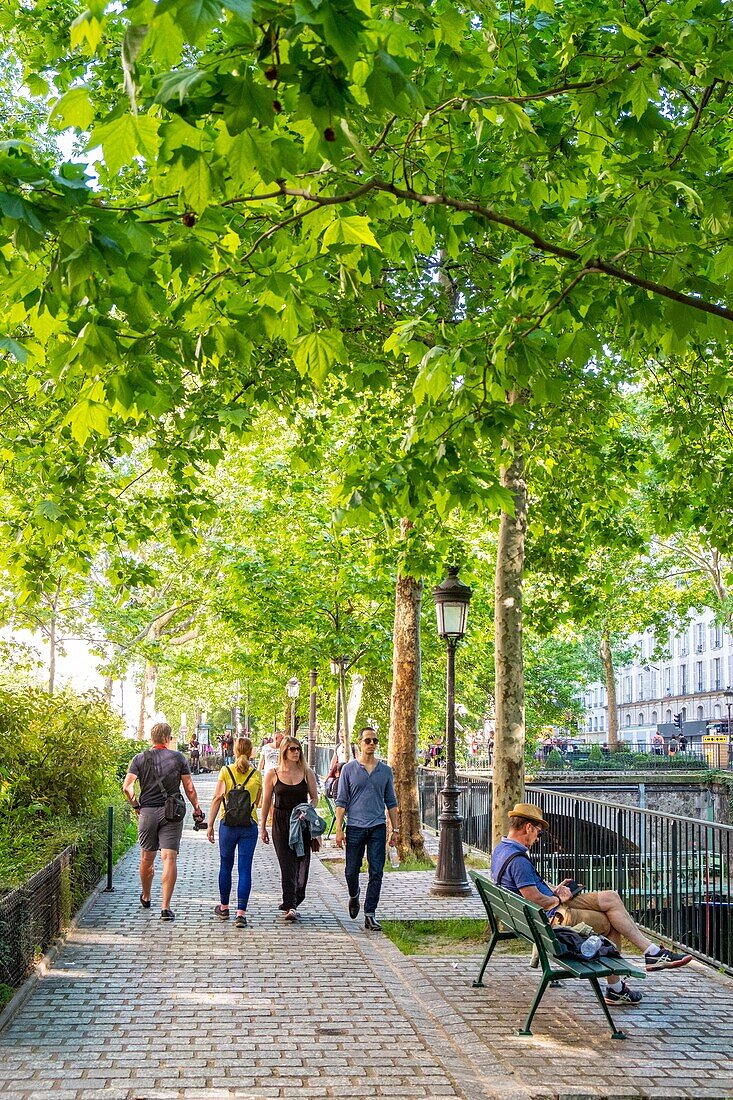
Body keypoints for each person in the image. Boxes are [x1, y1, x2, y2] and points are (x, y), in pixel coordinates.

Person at [491, 802, 692, 1006]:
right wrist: (559, 898)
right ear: (528, 828)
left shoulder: (502, 849)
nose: (537, 839)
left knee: (611, 897)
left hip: (543, 910)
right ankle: (621, 984)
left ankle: (651, 954)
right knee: (610, 922)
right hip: (552, 917)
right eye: (539, 834)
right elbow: (535, 900)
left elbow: (531, 891)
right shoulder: (518, 860)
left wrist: (554, 890)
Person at [122, 721, 204, 921]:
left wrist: (135, 806)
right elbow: (189, 787)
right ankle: (165, 907)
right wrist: (197, 808)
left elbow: (127, 787)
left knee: (146, 858)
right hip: (172, 812)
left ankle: (146, 895)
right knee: (169, 858)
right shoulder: (178, 758)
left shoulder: (139, 759)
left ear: (152, 738)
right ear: (168, 739)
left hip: (147, 812)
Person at [335, 726, 399, 932]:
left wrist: (395, 831)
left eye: (375, 741)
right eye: (368, 741)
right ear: (360, 743)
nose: (372, 744)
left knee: (376, 871)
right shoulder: (349, 769)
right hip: (354, 827)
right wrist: (338, 829)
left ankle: (370, 914)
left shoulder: (385, 771)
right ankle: (354, 895)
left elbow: (391, 802)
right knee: (351, 871)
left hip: (377, 827)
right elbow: (341, 801)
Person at [206, 735, 262, 928]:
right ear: (251, 751)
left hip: (227, 825)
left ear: (235, 751)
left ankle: (224, 907)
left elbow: (216, 798)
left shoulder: (225, 771)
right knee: (245, 869)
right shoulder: (256, 774)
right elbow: (258, 802)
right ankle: (241, 914)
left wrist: (210, 824)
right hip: (249, 825)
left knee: (225, 866)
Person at [260, 737, 319, 920]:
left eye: (298, 749)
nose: (296, 752)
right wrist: (262, 827)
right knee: (287, 864)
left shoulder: (306, 772)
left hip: (301, 821)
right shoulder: (273, 773)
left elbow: (315, 798)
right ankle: (290, 905)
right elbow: (266, 801)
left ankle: (296, 897)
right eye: (292, 749)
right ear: (284, 751)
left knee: (302, 863)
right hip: (281, 821)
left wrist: (308, 810)